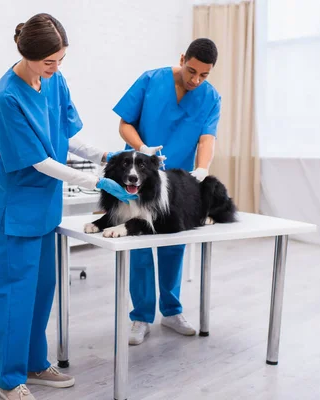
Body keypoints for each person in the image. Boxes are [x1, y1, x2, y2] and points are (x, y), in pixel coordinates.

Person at [0, 13, 138, 400]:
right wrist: (94, 181)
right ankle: (10, 379)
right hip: (16, 207)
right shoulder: (5, 98)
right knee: (13, 294)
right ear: (26, 54)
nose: (55, 69)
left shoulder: (55, 81)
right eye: (48, 62)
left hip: (45, 206)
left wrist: (106, 155)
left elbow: (66, 136)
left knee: (41, 290)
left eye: (60, 60)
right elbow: (38, 159)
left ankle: (36, 364)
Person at [112, 38, 221, 345]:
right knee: (140, 242)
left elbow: (206, 138)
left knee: (174, 242)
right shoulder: (151, 80)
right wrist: (142, 147)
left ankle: (171, 311)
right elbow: (124, 124)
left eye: (204, 75)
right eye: (192, 70)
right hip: (139, 177)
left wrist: (202, 169)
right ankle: (141, 317)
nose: (196, 79)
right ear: (182, 58)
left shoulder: (211, 97)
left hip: (176, 182)